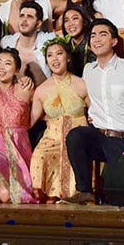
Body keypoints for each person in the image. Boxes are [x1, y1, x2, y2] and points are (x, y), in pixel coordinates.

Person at [63, 19, 124, 205]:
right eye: (93, 35)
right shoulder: (89, 70)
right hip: (100, 136)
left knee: (114, 194)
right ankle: (84, 190)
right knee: (75, 136)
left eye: (103, 34)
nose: (96, 39)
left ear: (114, 41)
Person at [30, 36, 89, 203]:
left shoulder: (82, 84)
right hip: (52, 138)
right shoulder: (41, 90)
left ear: (68, 57)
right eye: (50, 55)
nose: (55, 59)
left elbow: (95, 112)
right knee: (39, 155)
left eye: (59, 54)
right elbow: (31, 119)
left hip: (78, 136)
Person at [0, 48, 38, 204]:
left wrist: (25, 125)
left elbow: (42, 109)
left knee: (7, 195)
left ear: (16, 70)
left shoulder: (25, 89)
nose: (1, 67)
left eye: (7, 63)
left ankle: (3, 194)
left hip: (20, 147)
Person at [0, 0, 55, 86]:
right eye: (22, 16)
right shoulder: (6, 42)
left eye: (29, 17)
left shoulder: (48, 40)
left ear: (38, 24)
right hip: (15, 95)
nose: (24, 20)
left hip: (45, 94)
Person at [61, 5, 93, 76]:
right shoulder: (64, 46)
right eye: (66, 20)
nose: (70, 24)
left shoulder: (93, 42)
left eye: (75, 18)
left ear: (84, 22)